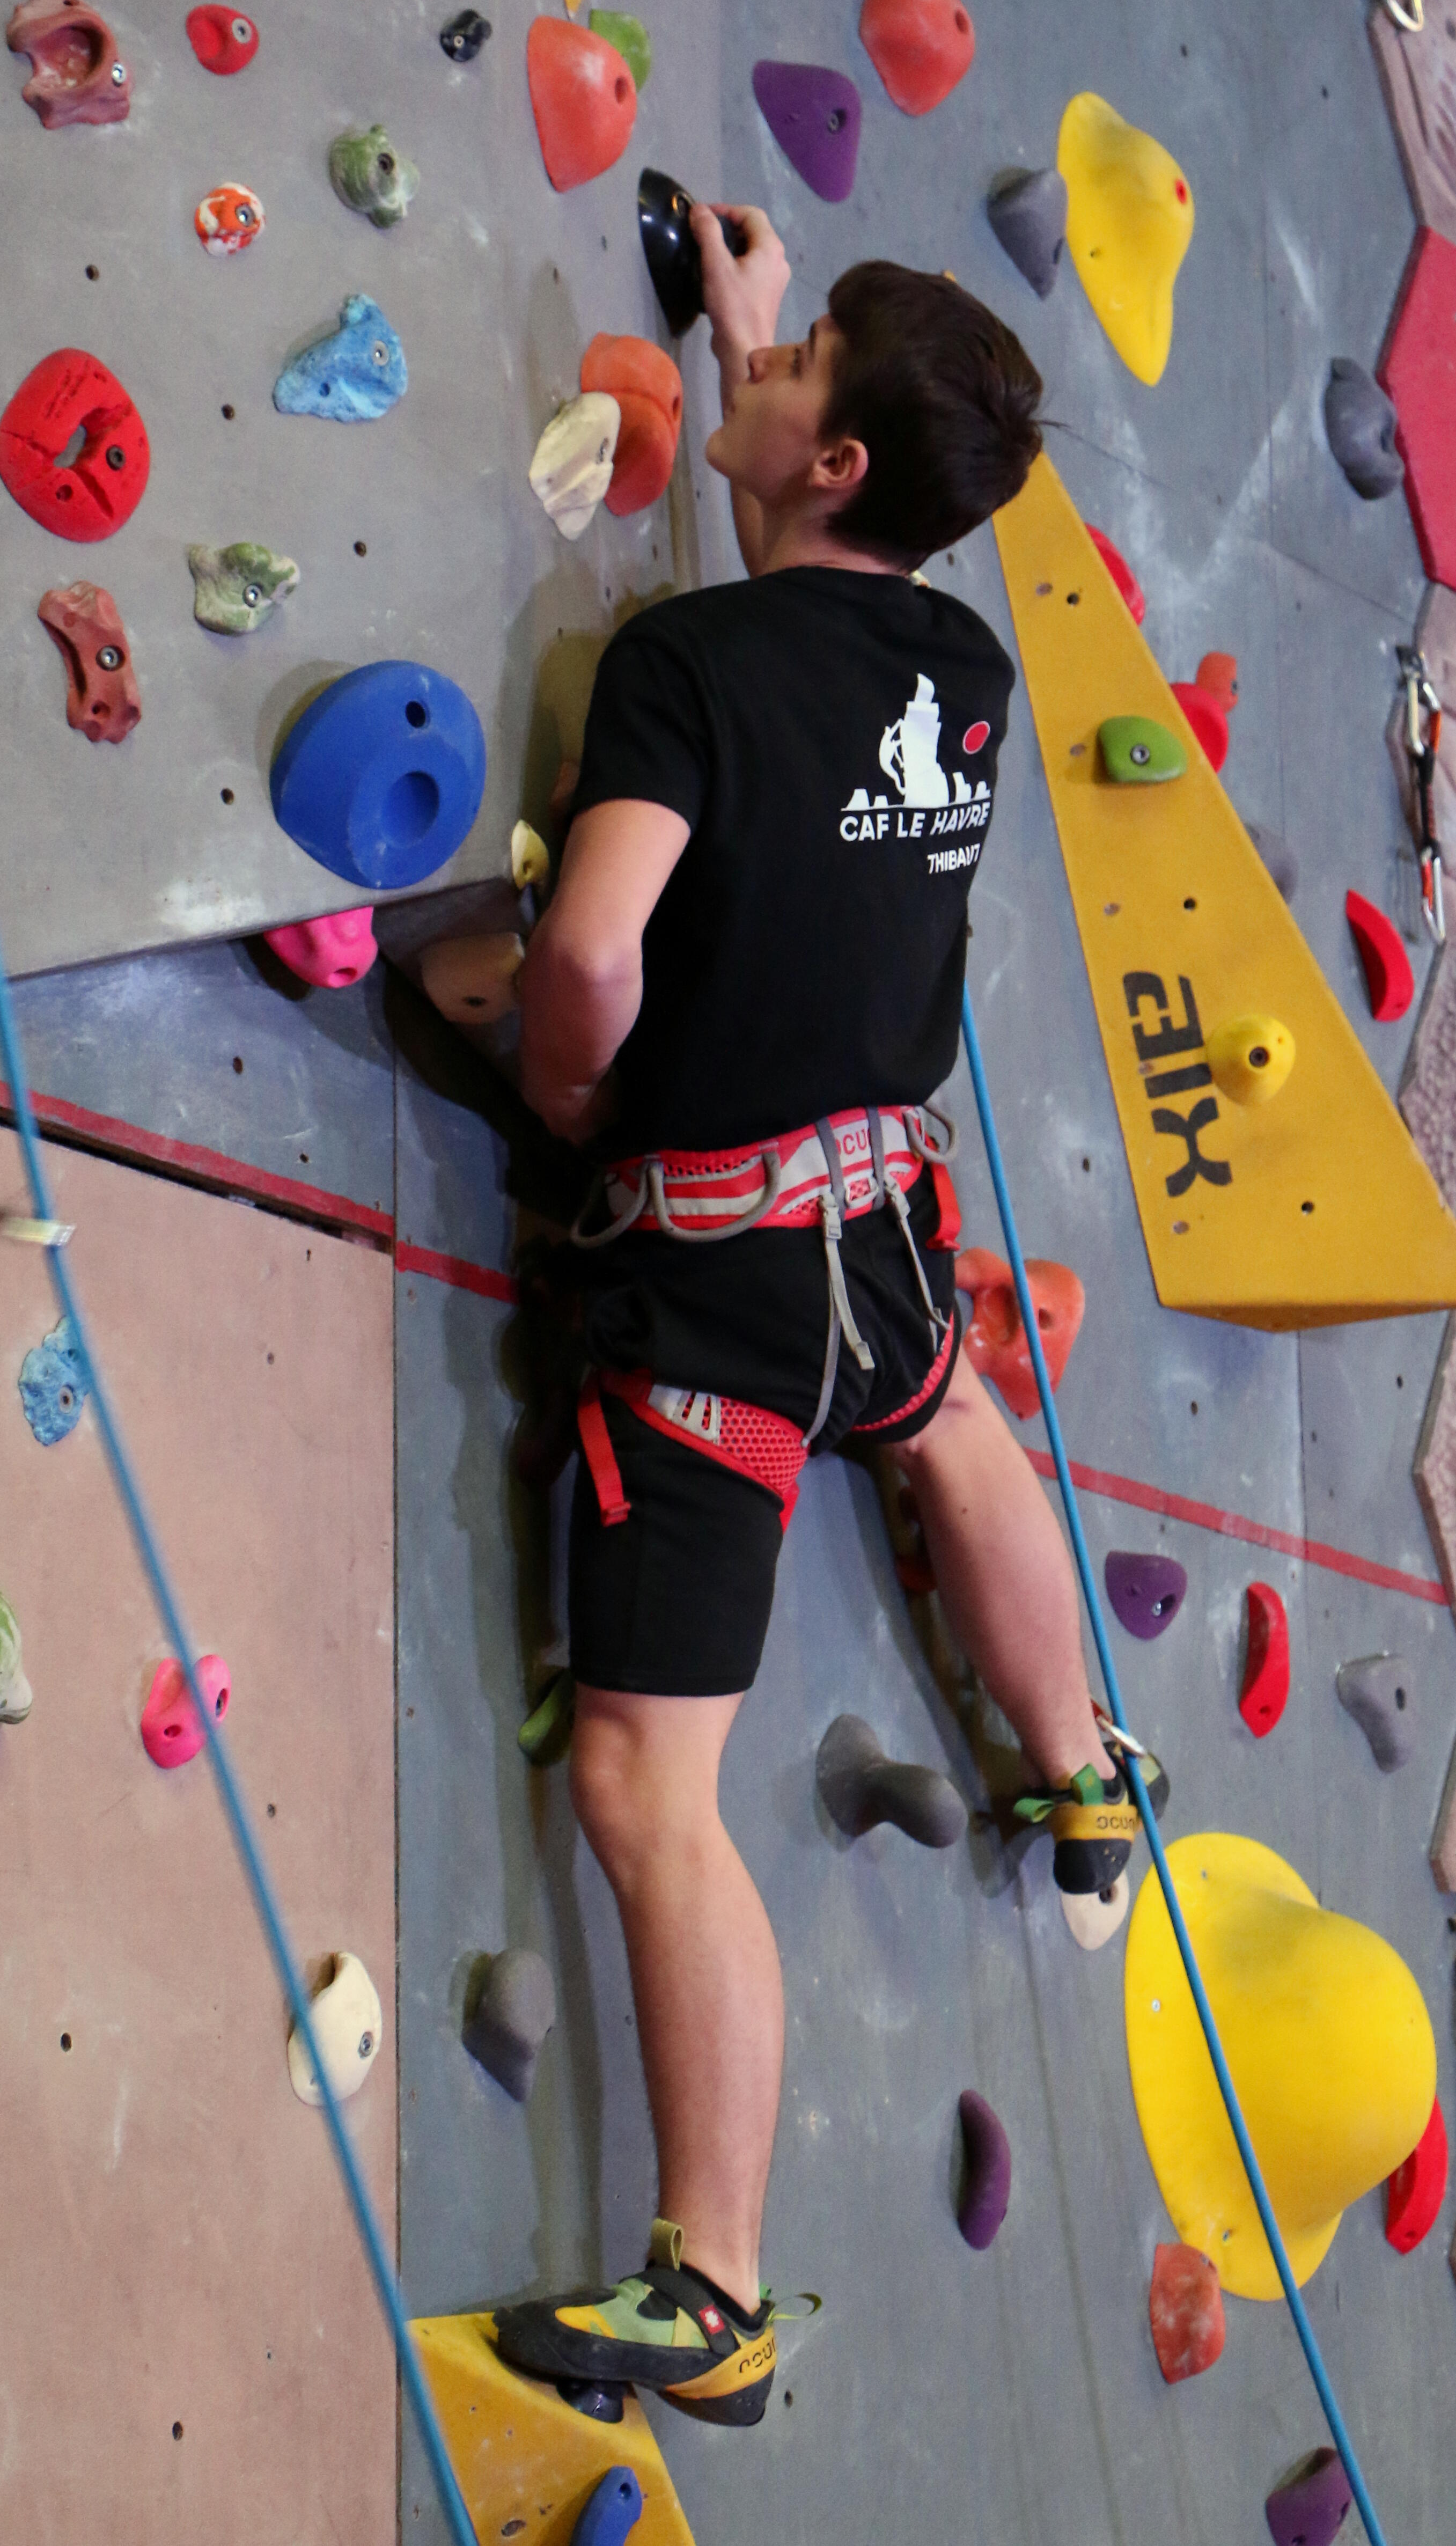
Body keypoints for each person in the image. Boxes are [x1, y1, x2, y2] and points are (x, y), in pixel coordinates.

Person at [495, 204, 1165, 2426]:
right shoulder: (956, 665)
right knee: (950, 1424)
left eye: (784, 382)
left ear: (837, 464)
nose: (757, 385)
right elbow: (808, 628)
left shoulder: (679, 671)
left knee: (642, 1783)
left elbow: (593, 952)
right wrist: (760, 339)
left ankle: (716, 2285)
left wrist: (563, 1088)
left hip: (713, 1289)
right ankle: (1081, 1778)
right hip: (879, 1238)